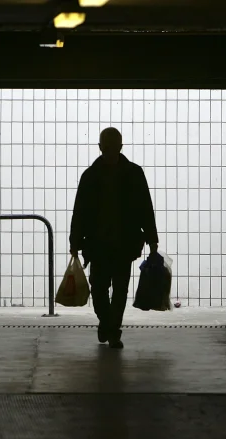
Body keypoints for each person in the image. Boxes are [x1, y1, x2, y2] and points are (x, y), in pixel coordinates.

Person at [69, 127, 159, 349]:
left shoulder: (90, 176)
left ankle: (109, 327)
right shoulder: (133, 173)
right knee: (115, 290)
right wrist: (151, 238)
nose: (109, 151)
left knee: (105, 288)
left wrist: (75, 241)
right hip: (122, 242)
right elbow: (145, 208)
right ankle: (111, 329)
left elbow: (79, 211)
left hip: (100, 243)